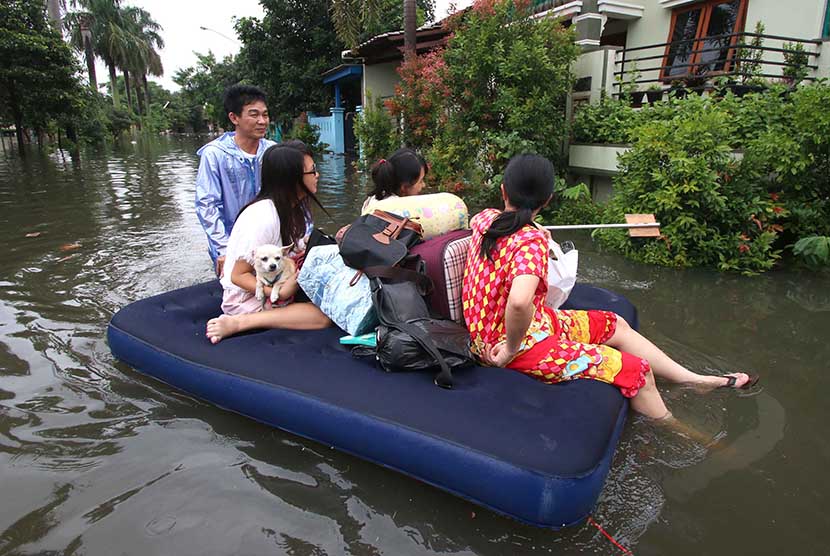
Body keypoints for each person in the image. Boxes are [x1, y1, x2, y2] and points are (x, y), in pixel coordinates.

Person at [462, 153, 759, 421]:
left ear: (503, 190)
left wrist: (535, 231)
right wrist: (508, 351)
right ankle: (684, 432)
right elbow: (518, 302)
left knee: (614, 324)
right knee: (638, 372)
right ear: (548, 199)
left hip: (521, 326)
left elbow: (512, 235)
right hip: (506, 345)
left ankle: (692, 379)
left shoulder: (484, 219)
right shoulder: (530, 243)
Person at [205, 141, 331, 344]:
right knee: (321, 316)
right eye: (312, 171)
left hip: (278, 280)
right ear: (292, 179)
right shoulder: (263, 216)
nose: (317, 175)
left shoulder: (291, 208)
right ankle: (238, 323)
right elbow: (237, 275)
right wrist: (277, 293)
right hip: (248, 298)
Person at [195, 84, 276, 278]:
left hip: (268, 242)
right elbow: (207, 206)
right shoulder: (215, 155)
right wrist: (223, 249)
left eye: (265, 115)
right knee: (235, 294)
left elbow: (287, 194)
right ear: (234, 118)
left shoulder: (272, 151)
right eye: (254, 115)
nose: (262, 121)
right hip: (231, 242)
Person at [361, 147, 428, 214]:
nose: (424, 185)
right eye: (420, 181)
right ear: (404, 187)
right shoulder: (402, 210)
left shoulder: (372, 199)